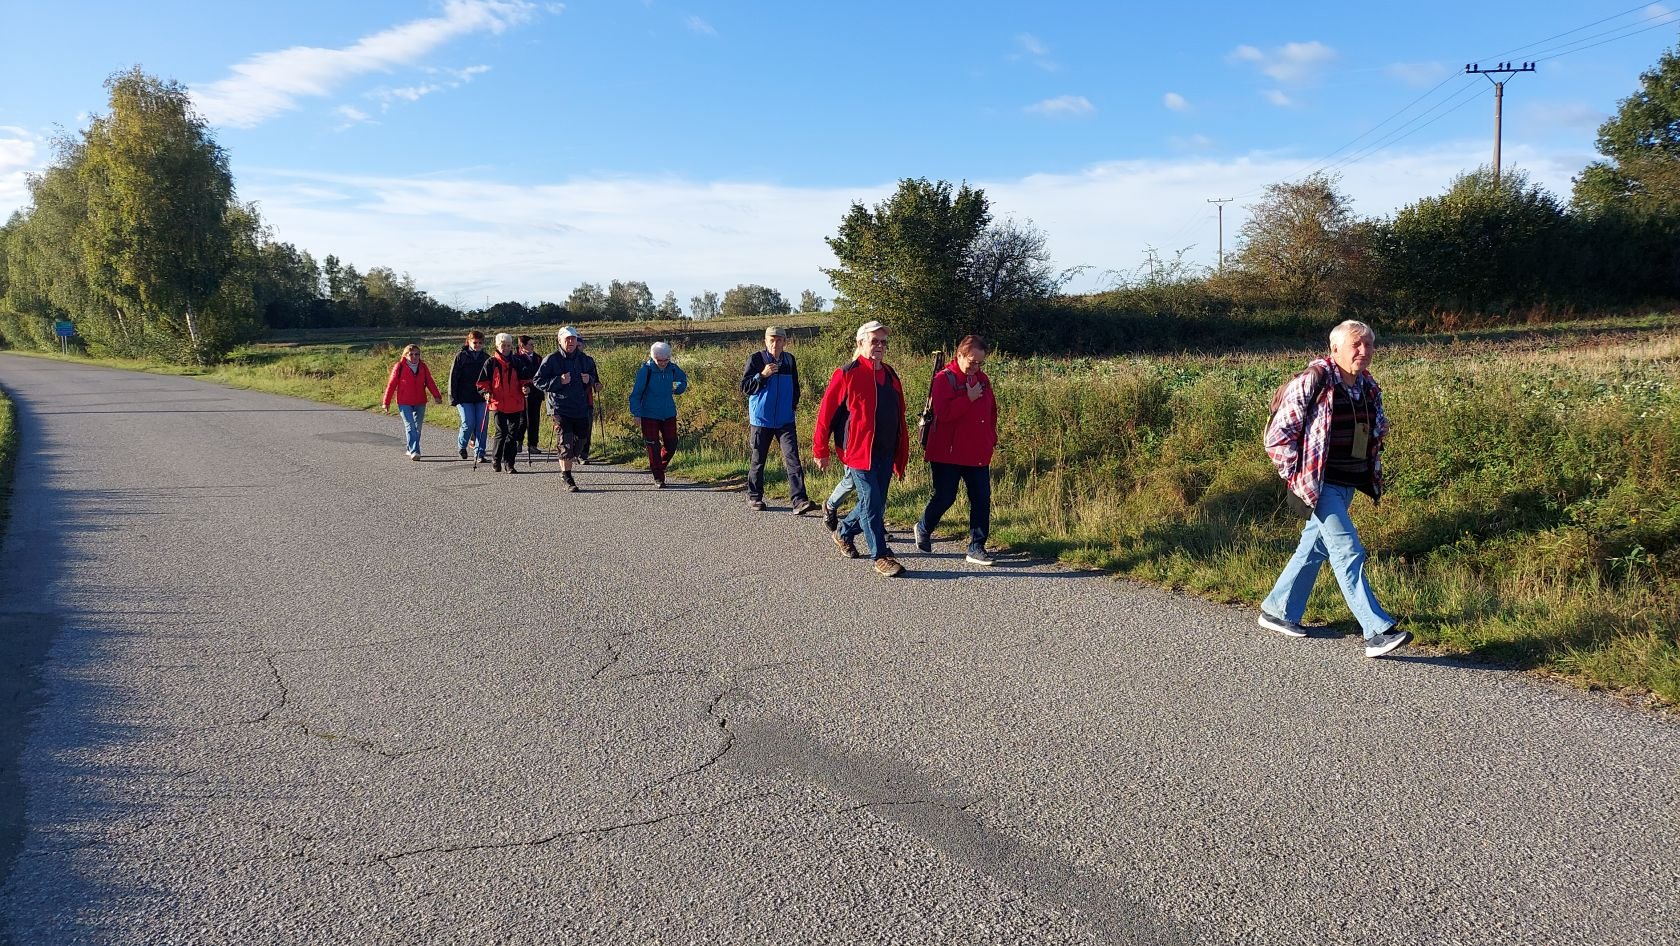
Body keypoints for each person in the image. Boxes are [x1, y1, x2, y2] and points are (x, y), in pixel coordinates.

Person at [1260, 319, 1410, 658]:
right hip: (1319, 484)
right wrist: (1296, 475)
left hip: (1348, 482)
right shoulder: (1314, 380)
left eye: (1369, 344)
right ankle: (1376, 631)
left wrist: (1378, 432)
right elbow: (1277, 438)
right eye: (1356, 344)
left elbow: (1375, 425)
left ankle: (1278, 610)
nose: (1364, 351)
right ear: (1335, 349)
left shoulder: (1367, 385)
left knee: (1314, 548)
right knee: (1348, 550)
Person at [813, 321, 910, 578]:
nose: (879, 346)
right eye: (874, 341)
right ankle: (881, 556)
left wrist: (901, 451)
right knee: (872, 502)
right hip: (858, 452)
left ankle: (844, 532)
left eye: (883, 342)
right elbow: (825, 414)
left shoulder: (890, 375)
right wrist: (820, 450)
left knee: (874, 502)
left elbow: (900, 415)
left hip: (885, 450)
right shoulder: (847, 373)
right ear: (860, 343)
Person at [914, 335, 998, 566]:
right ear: (959, 355)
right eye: (972, 361)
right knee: (945, 496)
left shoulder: (983, 380)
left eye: (980, 363)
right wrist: (968, 398)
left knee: (981, 499)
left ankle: (977, 547)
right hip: (947, 452)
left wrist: (991, 437)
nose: (976, 367)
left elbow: (991, 410)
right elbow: (944, 414)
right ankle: (924, 526)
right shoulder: (943, 379)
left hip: (977, 451)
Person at [741, 326, 817, 514]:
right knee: (758, 460)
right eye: (772, 340)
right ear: (765, 341)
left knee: (793, 459)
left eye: (779, 340)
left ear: (784, 342)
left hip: (785, 420)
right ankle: (754, 497)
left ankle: (799, 501)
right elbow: (746, 387)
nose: (775, 343)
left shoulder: (790, 360)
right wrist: (762, 375)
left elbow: (796, 387)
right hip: (761, 420)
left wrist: (791, 406)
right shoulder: (756, 359)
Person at [533, 326, 598, 492]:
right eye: (567, 339)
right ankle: (567, 475)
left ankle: (568, 458)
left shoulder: (585, 359)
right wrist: (558, 381)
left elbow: (594, 378)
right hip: (559, 407)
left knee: (581, 440)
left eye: (573, 339)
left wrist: (589, 379)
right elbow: (538, 381)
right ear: (560, 341)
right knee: (566, 442)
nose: (570, 342)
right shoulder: (551, 359)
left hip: (580, 406)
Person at [627, 341, 689, 488]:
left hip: (668, 413)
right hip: (649, 414)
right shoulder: (645, 371)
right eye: (659, 360)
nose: (662, 363)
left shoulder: (672, 368)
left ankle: (658, 466)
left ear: (669, 358)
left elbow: (683, 379)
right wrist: (636, 413)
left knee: (671, 445)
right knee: (653, 447)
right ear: (653, 357)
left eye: (665, 360)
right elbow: (636, 394)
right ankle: (658, 477)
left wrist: (678, 389)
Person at [380, 344, 443, 460]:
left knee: (417, 428)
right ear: (405, 355)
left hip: (420, 401)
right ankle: (415, 451)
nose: (414, 357)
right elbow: (391, 384)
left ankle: (410, 448)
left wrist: (437, 396)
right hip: (404, 402)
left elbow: (429, 381)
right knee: (410, 426)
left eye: (417, 354)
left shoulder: (423, 366)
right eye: (411, 354)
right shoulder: (399, 366)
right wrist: (386, 402)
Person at [476, 333, 527, 473]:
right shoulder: (491, 363)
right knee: (502, 432)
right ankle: (496, 459)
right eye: (503, 345)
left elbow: (525, 379)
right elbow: (482, 382)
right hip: (498, 403)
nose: (506, 348)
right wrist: (486, 392)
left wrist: (526, 387)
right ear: (497, 346)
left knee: (513, 435)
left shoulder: (517, 362)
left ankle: (510, 463)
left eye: (508, 345)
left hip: (516, 403)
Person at [448, 330, 490, 461]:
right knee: (468, 422)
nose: (477, 345)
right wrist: (452, 396)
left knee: (482, 425)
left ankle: (480, 453)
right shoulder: (461, 357)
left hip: (482, 397)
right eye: (475, 342)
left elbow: (491, 378)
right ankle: (462, 445)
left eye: (480, 343)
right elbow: (453, 377)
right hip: (464, 396)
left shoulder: (486, 358)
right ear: (469, 342)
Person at [512, 334, 545, 459]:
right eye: (530, 344)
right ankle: (518, 441)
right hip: (522, 392)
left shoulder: (538, 358)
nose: (533, 346)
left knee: (534, 419)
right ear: (522, 346)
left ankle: (532, 444)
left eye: (533, 344)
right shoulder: (515, 358)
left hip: (536, 392)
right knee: (522, 419)